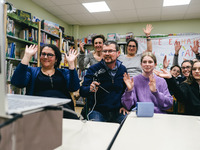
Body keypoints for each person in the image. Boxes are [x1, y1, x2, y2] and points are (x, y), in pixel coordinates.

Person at [11, 44, 80, 119]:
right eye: (43, 54)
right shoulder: (32, 71)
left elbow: (74, 87)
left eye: (50, 55)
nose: (45, 57)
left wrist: (71, 65)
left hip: (63, 108)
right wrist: (27, 57)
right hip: (39, 108)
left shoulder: (64, 72)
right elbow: (18, 83)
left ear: (56, 59)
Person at [79, 41, 128, 123]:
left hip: (117, 111)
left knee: (127, 127)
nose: (107, 53)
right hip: (98, 110)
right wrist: (89, 88)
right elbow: (82, 91)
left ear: (118, 53)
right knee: (97, 130)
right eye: (105, 51)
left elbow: (125, 92)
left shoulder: (123, 69)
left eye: (110, 51)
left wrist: (126, 106)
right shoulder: (93, 69)